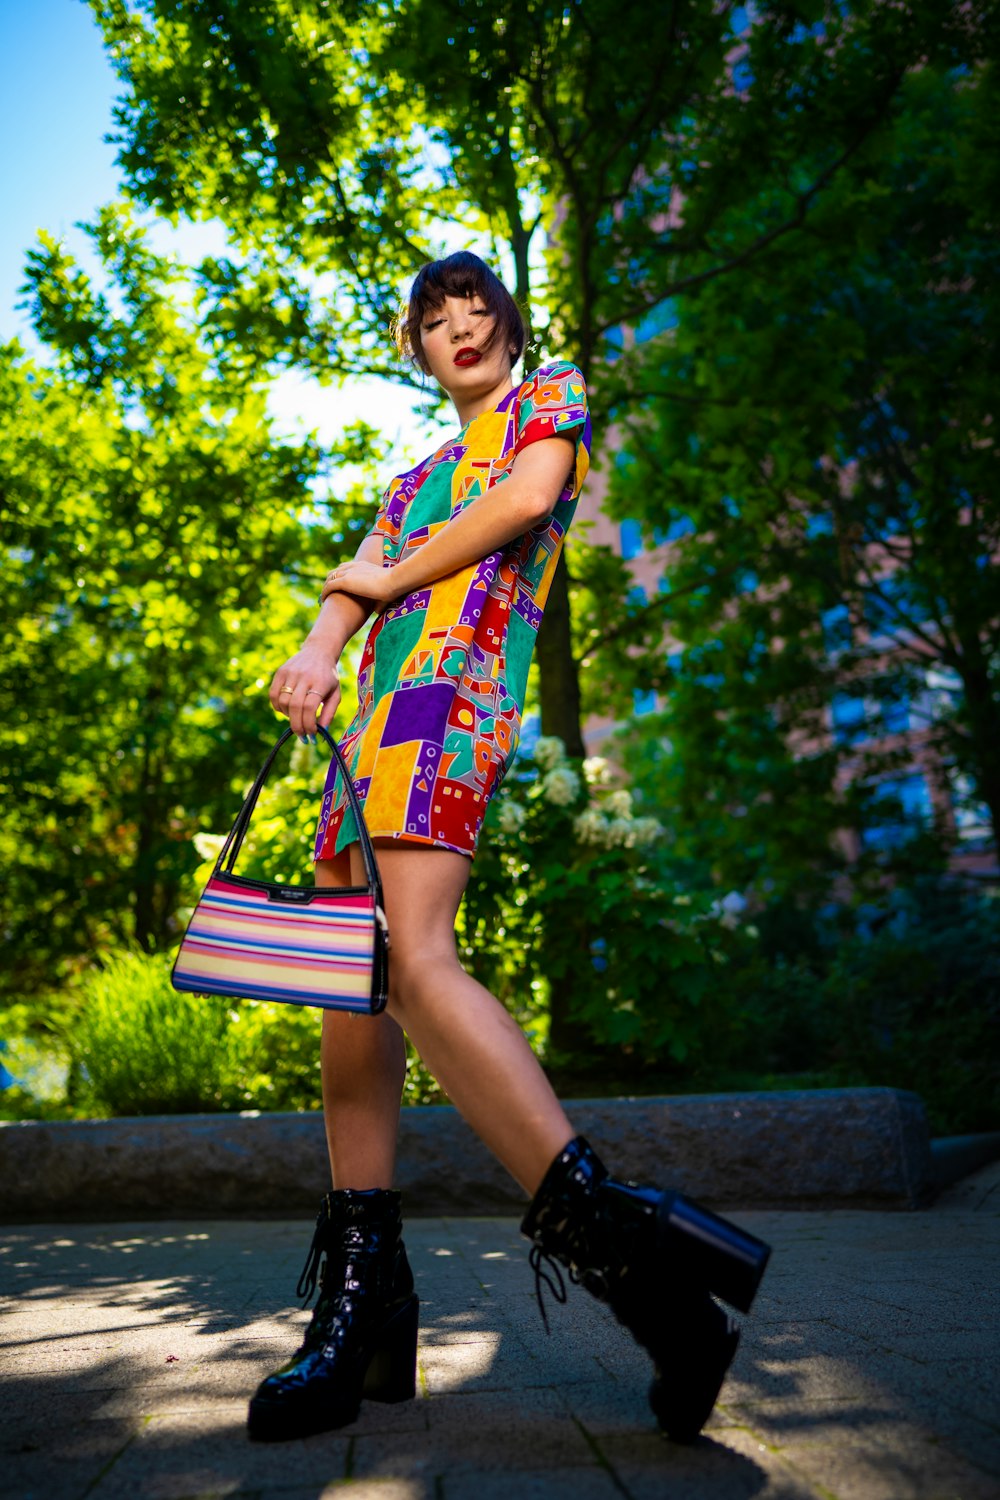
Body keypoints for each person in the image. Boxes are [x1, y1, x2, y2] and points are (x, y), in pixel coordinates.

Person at [248, 251, 769, 1445]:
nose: (459, 324)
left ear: (507, 321)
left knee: (416, 959)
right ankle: (363, 1293)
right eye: (432, 318)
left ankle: (647, 1279)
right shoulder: (409, 477)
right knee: (350, 986)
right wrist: (324, 646)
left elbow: (525, 505)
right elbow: (348, 587)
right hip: (365, 722)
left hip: (449, 696)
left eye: (475, 303)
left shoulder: (550, 401)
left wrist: (376, 586)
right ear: (418, 351)